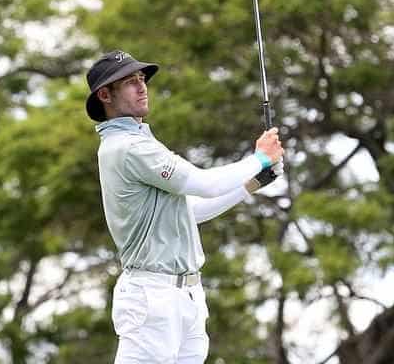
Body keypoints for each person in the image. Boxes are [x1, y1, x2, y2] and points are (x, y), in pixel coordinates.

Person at [86, 49, 283, 363]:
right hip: (151, 298)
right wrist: (258, 158)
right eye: (129, 82)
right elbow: (206, 184)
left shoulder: (140, 142)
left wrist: (253, 182)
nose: (141, 87)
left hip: (186, 295)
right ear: (105, 95)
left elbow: (190, 211)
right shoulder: (128, 147)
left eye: (141, 79)